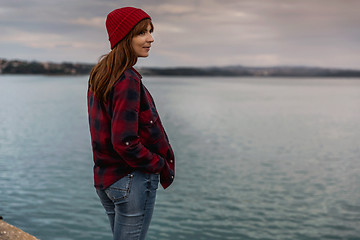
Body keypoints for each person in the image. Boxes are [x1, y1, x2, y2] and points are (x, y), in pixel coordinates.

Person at [87, 7, 175, 240]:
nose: (150, 38)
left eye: (150, 31)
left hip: (107, 179)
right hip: (131, 180)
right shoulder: (126, 79)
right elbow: (125, 141)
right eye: (142, 33)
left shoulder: (102, 73)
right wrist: (159, 164)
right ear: (124, 37)